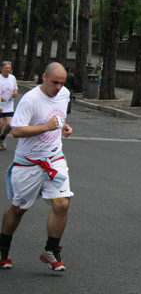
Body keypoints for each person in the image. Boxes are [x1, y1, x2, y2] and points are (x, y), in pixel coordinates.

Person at [0, 62, 73, 271]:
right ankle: (3, 248)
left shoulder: (64, 93)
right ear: (43, 77)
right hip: (28, 163)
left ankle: (51, 250)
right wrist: (45, 127)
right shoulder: (30, 99)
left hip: (54, 158)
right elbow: (16, 131)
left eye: (62, 83)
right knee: (18, 208)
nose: (59, 87)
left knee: (62, 204)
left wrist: (64, 127)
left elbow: (59, 118)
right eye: (55, 82)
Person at [0, 61, 18, 150]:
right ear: (2, 69)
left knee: (9, 125)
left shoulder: (12, 78)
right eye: (6, 68)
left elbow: (15, 90)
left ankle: (2, 137)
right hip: (0, 105)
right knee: (0, 125)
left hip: (9, 106)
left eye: (9, 68)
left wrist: (15, 93)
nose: (8, 70)